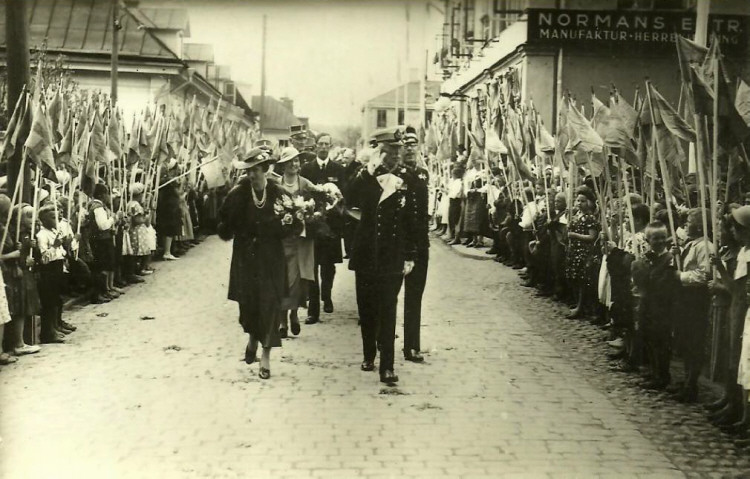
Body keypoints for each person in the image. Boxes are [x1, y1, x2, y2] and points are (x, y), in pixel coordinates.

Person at [348, 126, 417, 384]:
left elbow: (411, 220)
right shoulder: (366, 176)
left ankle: (387, 365)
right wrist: (367, 171)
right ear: (380, 151)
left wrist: (410, 254)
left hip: (392, 254)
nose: (395, 156)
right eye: (390, 151)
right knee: (367, 308)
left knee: (388, 309)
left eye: (398, 151)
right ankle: (369, 353)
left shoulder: (407, 178)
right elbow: (350, 197)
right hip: (366, 253)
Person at [218, 148, 286, 380]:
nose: (252, 176)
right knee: (248, 308)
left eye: (256, 171)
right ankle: (252, 338)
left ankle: (265, 357)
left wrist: (286, 223)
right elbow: (224, 227)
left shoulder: (278, 193)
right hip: (246, 261)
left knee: (270, 306)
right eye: (248, 172)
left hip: (271, 260)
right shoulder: (238, 195)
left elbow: (293, 225)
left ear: (265, 170)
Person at [299, 132, 346, 324]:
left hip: (332, 225)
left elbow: (344, 195)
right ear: (316, 146)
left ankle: (326, 296)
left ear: (331, 147)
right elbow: (302, 194)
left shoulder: (338, 169)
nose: (324, 147)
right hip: (313, 224)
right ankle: (313, 310)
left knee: (328, 265)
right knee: (312, 265)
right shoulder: (307, 169)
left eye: (327, 144)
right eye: (321, 144)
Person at [670, 207, 713, 403]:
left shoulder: (705, 246)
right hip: (685, 297)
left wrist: (681, 276)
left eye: (689, 222)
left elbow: (704, 275)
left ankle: (691, 383)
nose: (686, 225)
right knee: (685, 340)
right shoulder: (690, 244)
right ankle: (686, 379)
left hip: (696, 298)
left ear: (699, 225)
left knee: (694, 341)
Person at [275, 146, 316, 338]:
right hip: (282, 240)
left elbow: (321, 203)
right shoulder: (275, 185)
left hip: (302, 240)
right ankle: (282, 320)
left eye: (297, 161)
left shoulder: (306, 184)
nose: (294, 164)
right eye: (290, 161)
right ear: (283, 165)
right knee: (283, 278)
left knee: (300, 279)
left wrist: (312, 214)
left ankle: (294, 314)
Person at [401, 127, 429, 363]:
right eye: (405, 144)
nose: (409, 148)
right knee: (388, 296)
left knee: (414, 297)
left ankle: (412, 345)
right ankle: (383, 340)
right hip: (397, 243)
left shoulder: (423, 174)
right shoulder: (394, 175)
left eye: (413, 144)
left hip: (420, 244)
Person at [565, 186, 600, 319]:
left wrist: (574, 235)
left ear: (589, 202)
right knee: (573, 278)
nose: (579, 203)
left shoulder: (590, 218)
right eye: (578, 201)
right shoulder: (576, 215)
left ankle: (581, 307)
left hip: (583, 251)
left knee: (581, 280)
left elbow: (592, 237)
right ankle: (578, 305)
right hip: (574, 250)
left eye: (583, 201)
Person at [36, 204, 68, 344]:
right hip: (48, 270)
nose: (56, 219)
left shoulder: (55, 231)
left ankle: (54, 327)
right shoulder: (42, 235)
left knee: (55, 299)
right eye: (52, 217)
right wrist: (55, 246)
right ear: (43, 219)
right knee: (48, 301)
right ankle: (47, 332)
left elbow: (61, 252)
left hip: (57, 267)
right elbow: (44, 258)